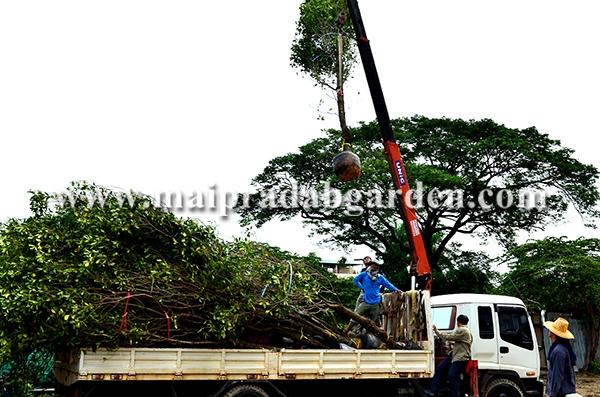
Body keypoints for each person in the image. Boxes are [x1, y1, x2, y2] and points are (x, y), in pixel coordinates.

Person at [426, 314, 473, 397]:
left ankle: (454, 394)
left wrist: (436, 331)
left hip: (460, 358)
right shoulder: (467, 331)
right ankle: (433, 391)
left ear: (458, 322)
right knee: (440, 368)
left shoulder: (462, 330)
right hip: (454, 355)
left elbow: (449, 337)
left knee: (451, 375)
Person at [348, 261, 399, 337]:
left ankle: (374, 336)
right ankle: (346, 331)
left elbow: (388, 284)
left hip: (375, 302)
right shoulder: (364, 275)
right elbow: (355, 280)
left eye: (376, 266)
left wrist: (396, 290)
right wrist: (362, 287)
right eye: (373, 265)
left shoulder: (380, 277)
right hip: (365, 301)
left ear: (378, 268)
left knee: (374, 321)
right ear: (370, 266)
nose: (374, 267)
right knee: (356, 316)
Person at [544, 317, 577, 397]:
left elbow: (557, 375)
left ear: (553, 333)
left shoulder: (559, 351)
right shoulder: (562, 348)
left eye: (550, 331)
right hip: (565, 390)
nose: (549, 334)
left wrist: (552, 394)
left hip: (561, 392)